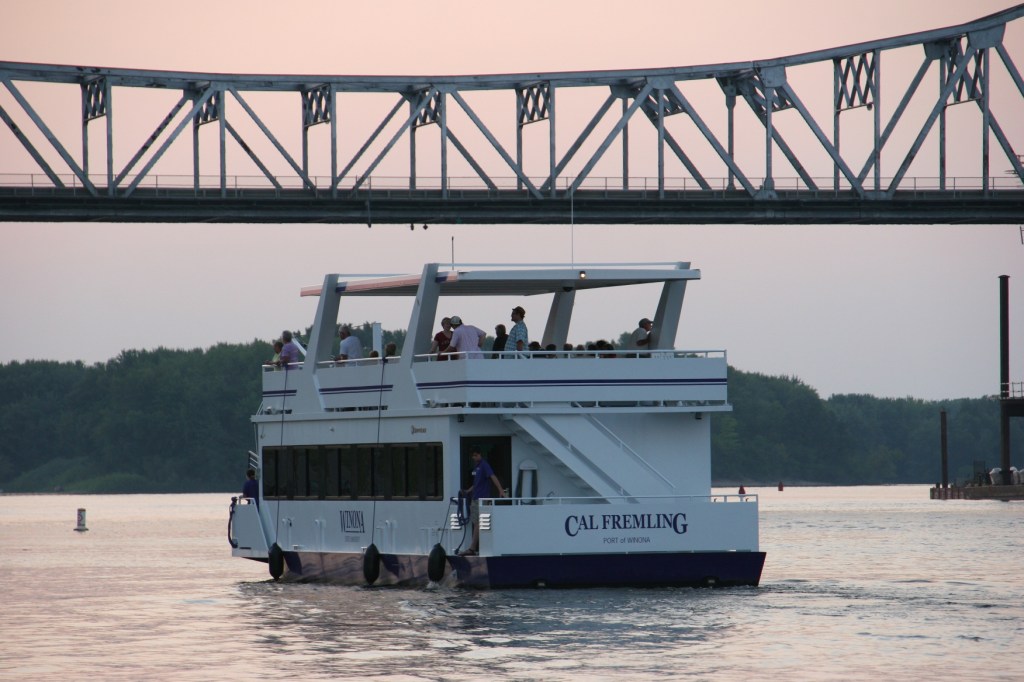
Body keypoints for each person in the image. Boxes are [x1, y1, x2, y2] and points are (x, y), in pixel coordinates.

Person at [459, 448, 506, 556]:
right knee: (476, 523)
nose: (474, 458)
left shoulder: (484, 465)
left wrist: (500, 490)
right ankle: (474, 547)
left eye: (476, 455)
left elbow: (492, 476)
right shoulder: (477, 467)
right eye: (473, 456)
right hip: (475, 498)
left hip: (481, 499)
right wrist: (467, 491)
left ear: (480, 455)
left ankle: (472, 548)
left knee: (478, 523)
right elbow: (476, 484)